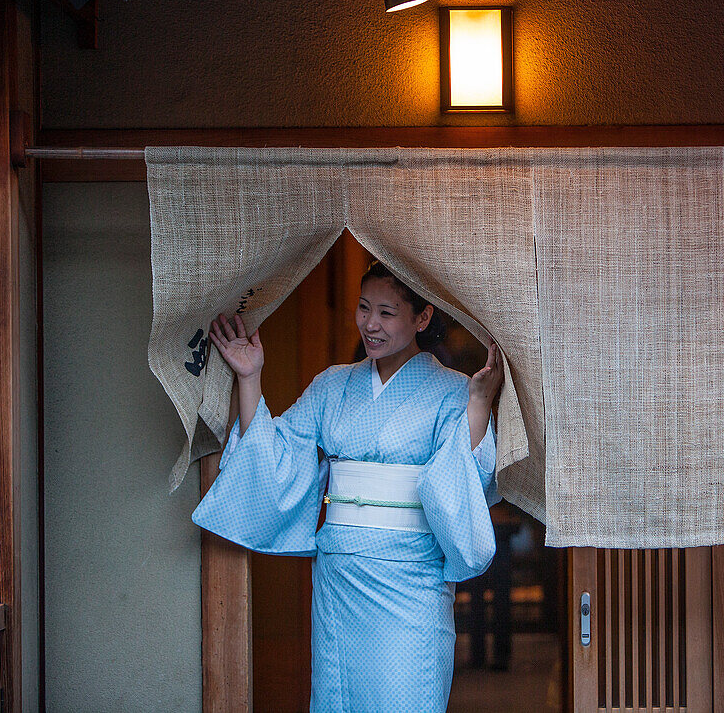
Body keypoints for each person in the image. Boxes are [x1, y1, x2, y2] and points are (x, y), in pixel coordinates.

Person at [192, 261, 505, 713]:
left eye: (387, 312)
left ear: (423, 317)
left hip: (412, 577)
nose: (370, 325)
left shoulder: (451, 390)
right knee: (339, 699)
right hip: (340, 576)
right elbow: (275, 455)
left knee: (410, 698)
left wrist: (479, 402)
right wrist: (249, 376)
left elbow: (465, 482)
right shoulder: (331, 385)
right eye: (363, 309)